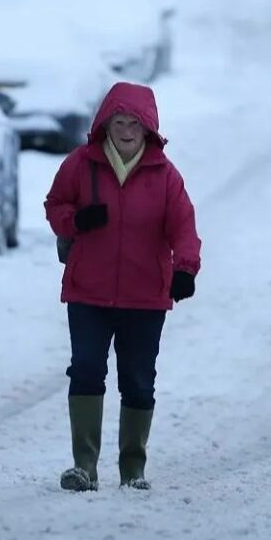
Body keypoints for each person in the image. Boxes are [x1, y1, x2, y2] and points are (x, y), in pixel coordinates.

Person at [44, 81, 201, 492]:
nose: (127, 131)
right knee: (86, 370)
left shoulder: (165, 176)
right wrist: (76, 221)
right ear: (105, 124)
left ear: (148, 128)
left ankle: (133, 470)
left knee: (137, 380)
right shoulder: (81, 164)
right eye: (119, 123)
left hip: (144, 298)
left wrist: (185, 269)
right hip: (88, 293)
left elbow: (184, 228)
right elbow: (55, 205)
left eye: (135, 123)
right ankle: (84, 467)